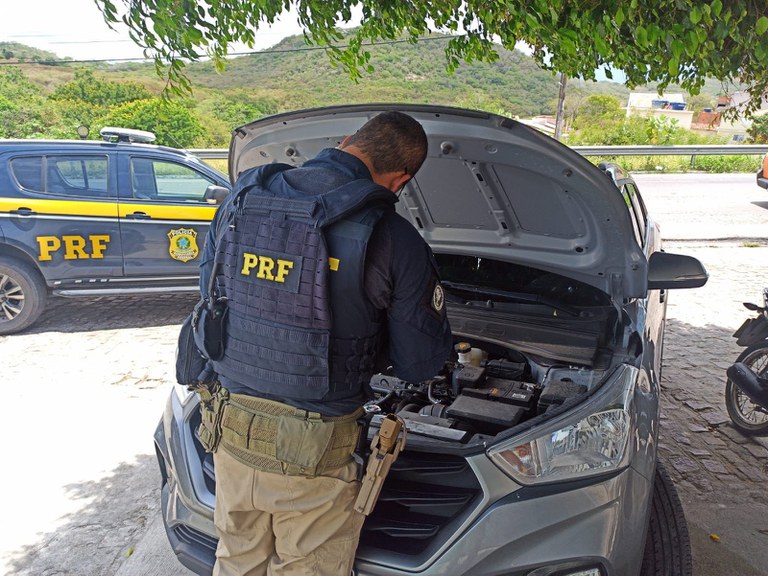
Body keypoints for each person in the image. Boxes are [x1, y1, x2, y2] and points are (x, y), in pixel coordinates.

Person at [196, 110, 453, 576]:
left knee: (235, 562)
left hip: (229, 434)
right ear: (400, 181)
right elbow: (418, 364)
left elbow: (212, 295)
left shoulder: (243, 200)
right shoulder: (393, 237)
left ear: (349, 140)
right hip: (312, 458)